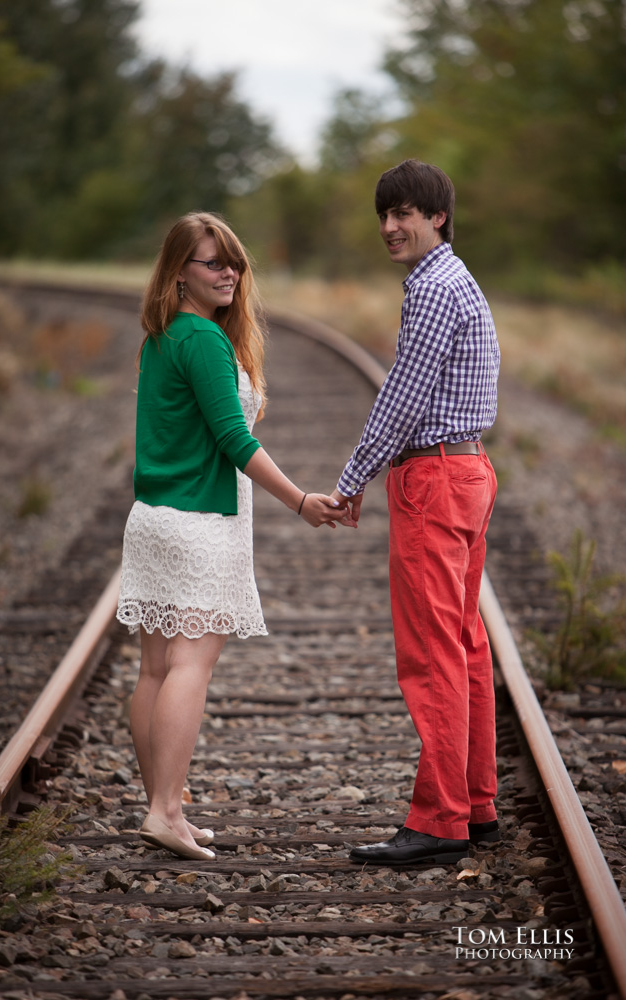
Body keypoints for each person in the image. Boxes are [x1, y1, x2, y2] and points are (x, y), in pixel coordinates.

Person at [116, 212, 348, 861]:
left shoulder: (162, 337)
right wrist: (301, 501)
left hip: (155, 519)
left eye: (233, 261)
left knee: (157, 668)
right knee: (191, 665)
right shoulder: (204, 341)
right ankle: (166, 809)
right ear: (178, 272)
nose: (228, 272)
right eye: (211, 261)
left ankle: (164, 806)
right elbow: (234, 441)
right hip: (199, 522)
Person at [332, 160, 501, 866]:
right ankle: (474, 801)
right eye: (384, 214)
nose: (390, 227)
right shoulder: (456, 280)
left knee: (432, 654)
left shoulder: (432, 290)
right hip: (464, 469)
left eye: (405, 213)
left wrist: (351, 478)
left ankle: (438, 821)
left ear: (437, 217)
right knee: (462, 644)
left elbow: (401, 395)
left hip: (432, 478)